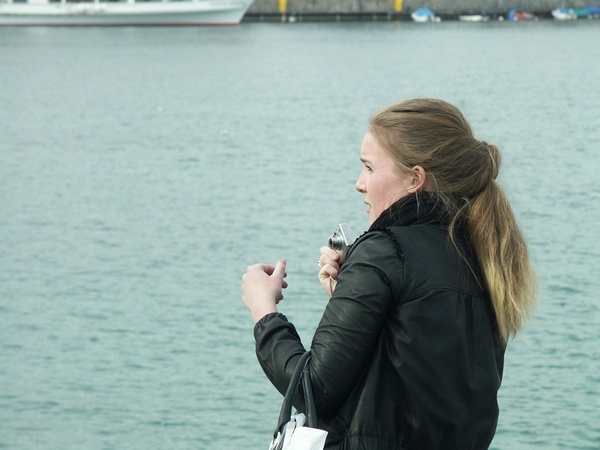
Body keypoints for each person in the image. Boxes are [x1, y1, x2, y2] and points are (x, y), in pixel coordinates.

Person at [242, 98, 538, 449]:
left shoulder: (383, 250)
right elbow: (423, 386)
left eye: (369, 168)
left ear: (415, 179)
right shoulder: (483, 255)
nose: (359, 183)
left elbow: (313, 389)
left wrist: (264, 311)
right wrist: (351, 297)